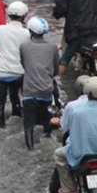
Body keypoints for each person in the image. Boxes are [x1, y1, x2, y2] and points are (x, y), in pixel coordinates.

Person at [55, 76, 97, 193]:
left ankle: (70, 189)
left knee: (58, 155)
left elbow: (71, 133)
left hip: (80, 154)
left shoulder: (76, 113)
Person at [18, 16, 59, 150]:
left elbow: (24, 64)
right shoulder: (53, 47)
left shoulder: (24, 46)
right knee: (47, 121)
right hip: (46, 92)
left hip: (29, 92)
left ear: (30, 32)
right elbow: (55, 70)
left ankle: (30, 149)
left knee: (28, 125)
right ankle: (47, 140)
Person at [0, 2, 30, 128]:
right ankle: (17, 118)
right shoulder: (27, 33)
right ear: (24, 16)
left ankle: (0, 127)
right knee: (15, 99)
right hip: (19, 73)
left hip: (0, 73)